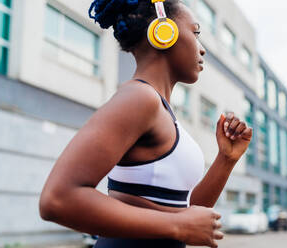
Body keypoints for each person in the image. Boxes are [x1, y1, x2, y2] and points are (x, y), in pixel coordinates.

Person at [39, 0, 253, 247]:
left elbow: (185, 215)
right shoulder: (139, 98)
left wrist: (226, 159)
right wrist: (179, 225)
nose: (201, 48)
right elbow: (57, 199)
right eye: (195, 33)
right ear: (164, 33)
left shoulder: (161, 110)